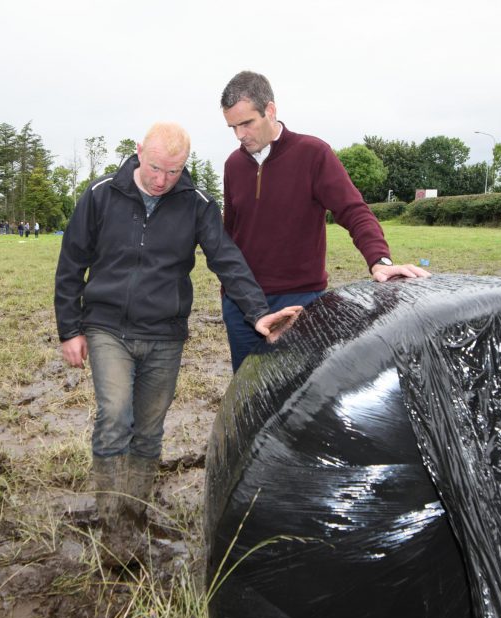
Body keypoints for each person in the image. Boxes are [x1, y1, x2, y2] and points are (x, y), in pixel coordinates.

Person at [54, 122, 301, 561]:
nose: (161, 180)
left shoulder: (196, 205)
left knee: (149, 430)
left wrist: (259, 312)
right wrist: (69, 329)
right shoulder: (100, 194)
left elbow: (226, 258)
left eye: (173, 171)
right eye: (154, 168)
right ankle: (112, 521)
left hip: (165, 333)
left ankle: (135, 511)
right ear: (138, 152)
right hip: (108, 326)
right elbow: (71, 262)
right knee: (115, 415)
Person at [219, 70, 431, 371]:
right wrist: (229, 293)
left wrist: (379, 260)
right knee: (247, 393)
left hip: (299, 300)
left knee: (300, 393)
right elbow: (230, 235)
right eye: (232, 127)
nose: (240, 135)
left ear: (270, 110)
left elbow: (353, 210)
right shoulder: (232, 165)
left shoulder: (313, 154)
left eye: (246, 123)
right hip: (241, 304)